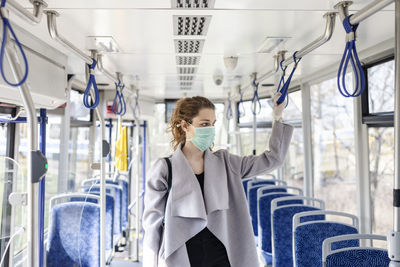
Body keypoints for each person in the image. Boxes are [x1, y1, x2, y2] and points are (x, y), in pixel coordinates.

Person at [142, 93, 293, 267]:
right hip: (184, 256)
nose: (210, 130)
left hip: (223, 256)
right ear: (185, 126)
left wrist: (277, 117)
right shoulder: (165, 168)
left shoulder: (227, 163)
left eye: (213, 124)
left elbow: (273, 159)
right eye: (204, 124)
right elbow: (152, 224)